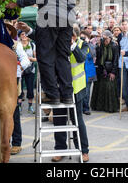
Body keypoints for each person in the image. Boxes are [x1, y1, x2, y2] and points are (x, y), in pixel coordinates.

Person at [16, 0, 79, 105]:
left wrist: (18, 3)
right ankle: (66, 94)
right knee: (62, 56)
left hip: (50, 16)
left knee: (45, 56)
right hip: (68, 17)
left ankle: (53, 94)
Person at [52, 28, 90, 163]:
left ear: (74, 35)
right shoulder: (58, 43)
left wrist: (72, 44)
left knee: (77, 121)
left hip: (76, 89)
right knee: (59, 121)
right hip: (59, 88)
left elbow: (81, 58)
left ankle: (83, 150)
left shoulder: (83, 44)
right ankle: (60, 150)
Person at [7, 24, 31, 155]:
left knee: (14, 112)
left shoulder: (16, 45)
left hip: (13, 81)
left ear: (11, 32)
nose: (5, 31)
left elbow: (26, 61)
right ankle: (5, 142)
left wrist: (18, 69)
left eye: (7, 29)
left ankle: (16, 143)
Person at [91, 30, 120, 113]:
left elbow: (115, 60)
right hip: (101, 69)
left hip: (110, 69)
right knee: (100, 87)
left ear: (110, 38)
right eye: (103, 38)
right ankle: (99, 106)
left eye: (106, 38)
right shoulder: (100, 46)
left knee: (109, 88)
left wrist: (113, 72)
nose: (105, 41)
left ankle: (111, 107)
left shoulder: (114, 46)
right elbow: (98, 58)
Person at [19, 30, 37, 114]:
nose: (24, 35)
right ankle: (19, 106)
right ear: (19, 36)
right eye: (22, 34)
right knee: (19, 88)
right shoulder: (17, 45)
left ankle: (30, 106)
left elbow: (36, 58)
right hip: (20, 69)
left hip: (30, 69)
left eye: (25, 34)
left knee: (30, 88)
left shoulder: (32, 45)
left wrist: (29, 59)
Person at [80, 30, 96, 115]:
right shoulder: (78, 45)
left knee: (86, 92)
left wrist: (87, 44)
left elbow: (93, 54)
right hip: (80, 72)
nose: (82, 39)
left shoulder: (91, 46)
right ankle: (81, 107)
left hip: (89, 71)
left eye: (84, 37)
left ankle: (86, 107)